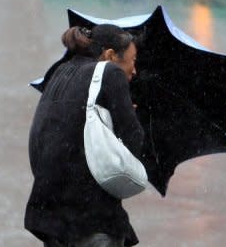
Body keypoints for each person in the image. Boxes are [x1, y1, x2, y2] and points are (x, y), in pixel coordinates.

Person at [25, 24, 145, 247]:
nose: (134, 70)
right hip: (92, 219)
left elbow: (59, 136)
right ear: (109, 55)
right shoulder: (111, 73)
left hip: (51, 218)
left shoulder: (58, 72)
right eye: (133, 60)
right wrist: (130, 115)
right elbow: (134, 145)